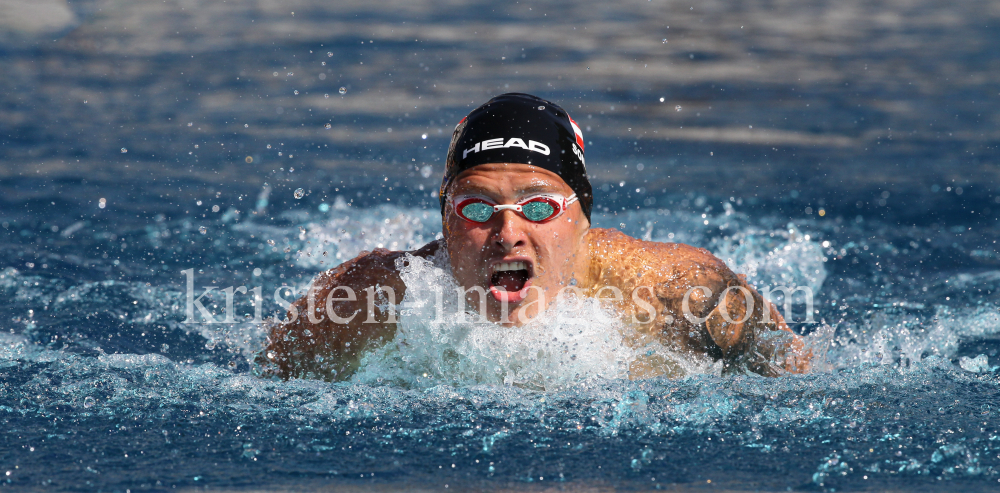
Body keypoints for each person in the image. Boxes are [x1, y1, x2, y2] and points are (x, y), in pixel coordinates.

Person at [259, 93, 811, 380]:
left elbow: (796, 378)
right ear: (446, 222)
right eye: (476, 206)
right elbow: (267, 386)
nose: (508, 234)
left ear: (582, 217)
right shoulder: (369, 300)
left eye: (539, 206)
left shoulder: (680, 291)